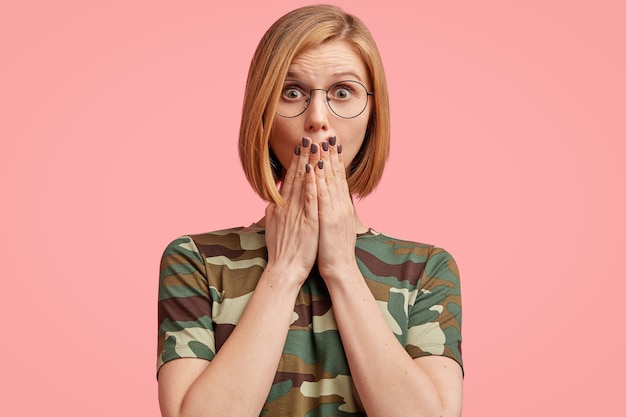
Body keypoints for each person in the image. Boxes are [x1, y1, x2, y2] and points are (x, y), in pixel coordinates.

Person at [157, 4, 463, 417]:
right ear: (262, 113)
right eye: (292, 92)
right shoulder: (194, 260)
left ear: (373, 116)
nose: (318, 119)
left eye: (343, 92)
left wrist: (340, 267)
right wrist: (283, 271)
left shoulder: (425, 268)